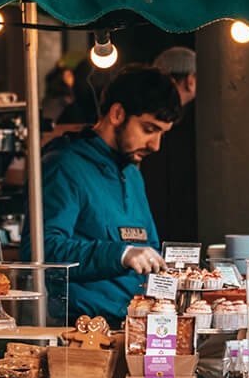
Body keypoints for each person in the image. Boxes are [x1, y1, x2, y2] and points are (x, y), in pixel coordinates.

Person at [21, 65, 182, 325]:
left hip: (133, 326)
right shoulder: (63, 166)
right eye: (149, 129)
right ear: (117, 113)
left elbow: (150, 253)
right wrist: (120, 254)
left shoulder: (132, 175)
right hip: (79, 330)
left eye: (162, 134)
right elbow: (40, 251)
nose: (156, 145)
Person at [141, 46, 197, 241]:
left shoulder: (141, 117)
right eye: (149, 130)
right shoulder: (199, 123)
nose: (154, 144)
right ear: (190, 81)